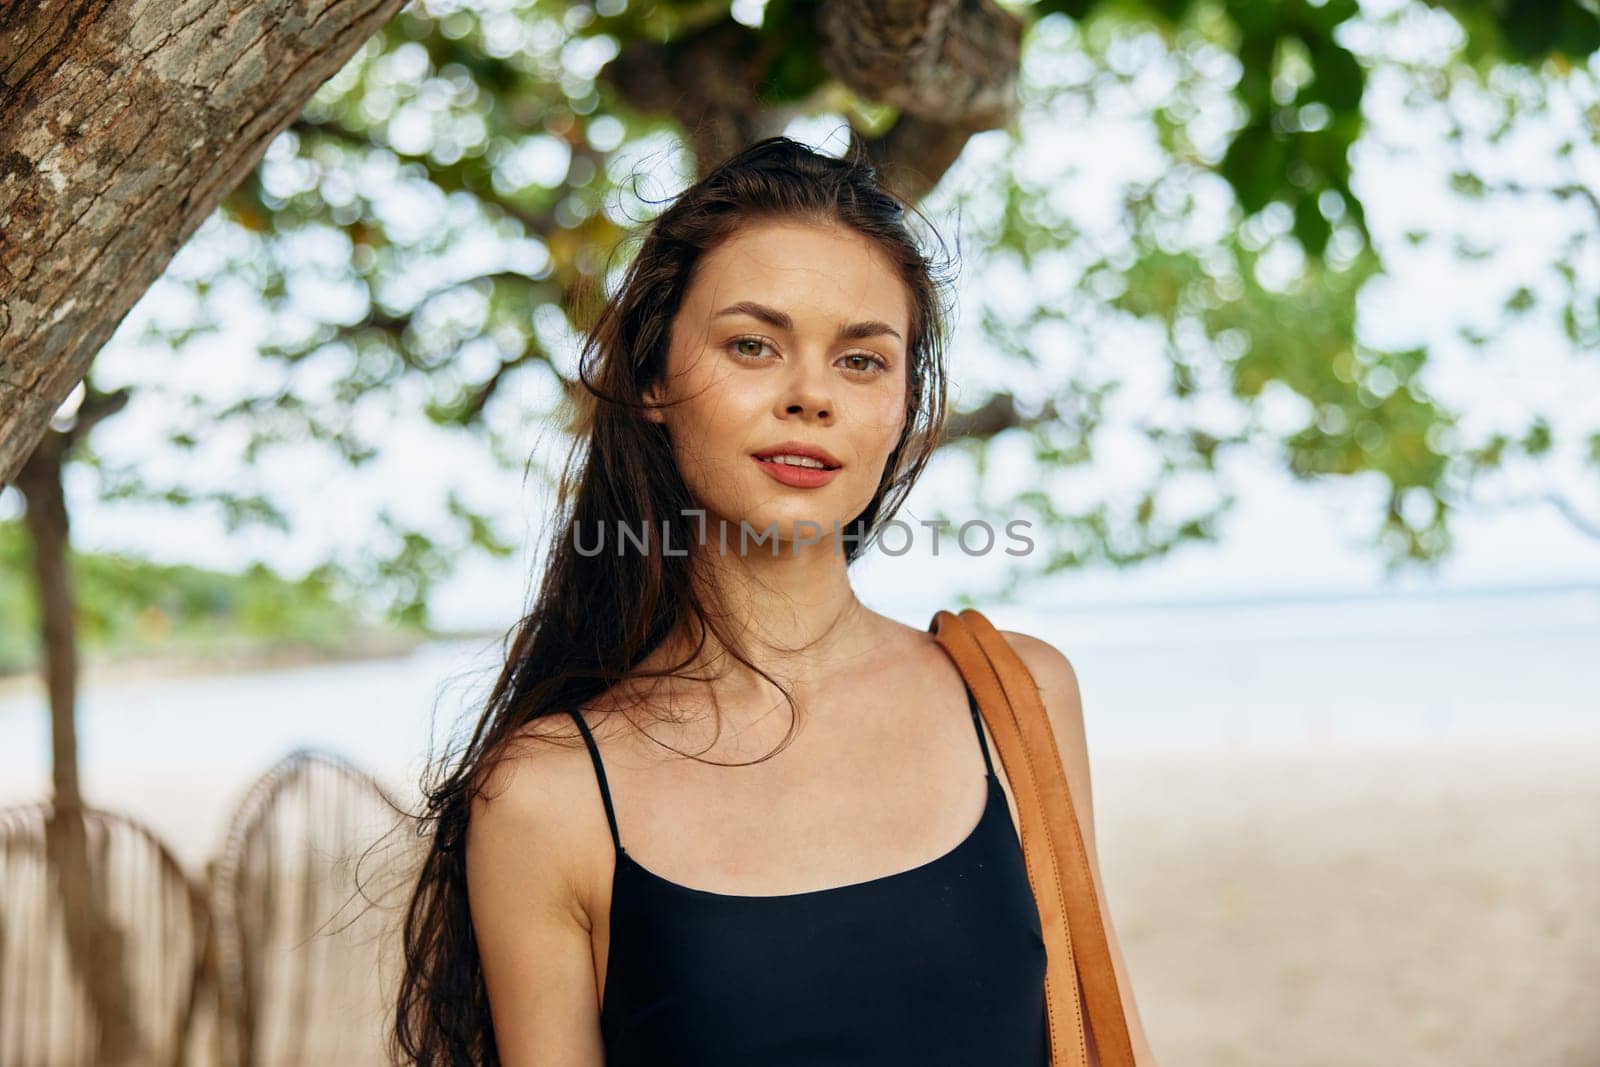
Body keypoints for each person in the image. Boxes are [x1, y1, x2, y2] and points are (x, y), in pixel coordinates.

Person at [392, 135, 1156, 1066]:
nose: (810, 396)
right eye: (754, 345)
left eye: (861, 361)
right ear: (653, 379)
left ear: (904, 406)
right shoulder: (547, 795)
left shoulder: (1018, 697)